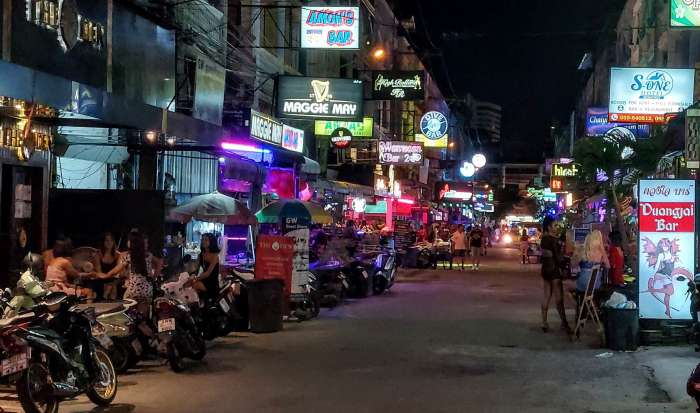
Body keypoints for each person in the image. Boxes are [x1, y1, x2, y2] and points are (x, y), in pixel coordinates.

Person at [539, 216, 570, 334]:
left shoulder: (543, 239)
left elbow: (545, 255)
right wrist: (565, 264)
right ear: (549, 227)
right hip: (554, 271)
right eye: (555, 225)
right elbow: (558, 257)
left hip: (545, 270)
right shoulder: (553, 240)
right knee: (559, 298)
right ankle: (564, 323)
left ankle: (544, 322)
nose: (556, 228)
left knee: (546, 295)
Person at [123, 231, 153, 315]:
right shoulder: (149, 255)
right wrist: (154, 276)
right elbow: (159, 262)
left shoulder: (129, 256)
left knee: (127, 315)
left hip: (133, 291)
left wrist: (106, 275)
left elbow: (116, 270)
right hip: (147, 291)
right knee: (142, 317)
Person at [191, 233, 221, 302]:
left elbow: (208, 273)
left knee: (195, 285)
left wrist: (195, 278)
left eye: (206, 240)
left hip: (212, 283)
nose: (203, 241)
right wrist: (192, 274)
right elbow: (196, 268)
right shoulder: (201, 254)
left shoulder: (215, 256)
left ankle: (198, 304)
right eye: (202, 239)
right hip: (204, 279)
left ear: (212, 242)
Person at [95, 232, 124, 300]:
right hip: (102, 278)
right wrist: (106, 277)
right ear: (103, 242)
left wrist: (110, 276)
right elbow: (98, 271)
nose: (109, 242)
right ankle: (109, 301)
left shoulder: (118, 255)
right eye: (107, 240)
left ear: (114, 242)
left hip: (114, 278)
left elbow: (118, 271)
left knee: (112, 284)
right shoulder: (98, 254)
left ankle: (106, 297)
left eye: (111, 240)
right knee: (111, 285)